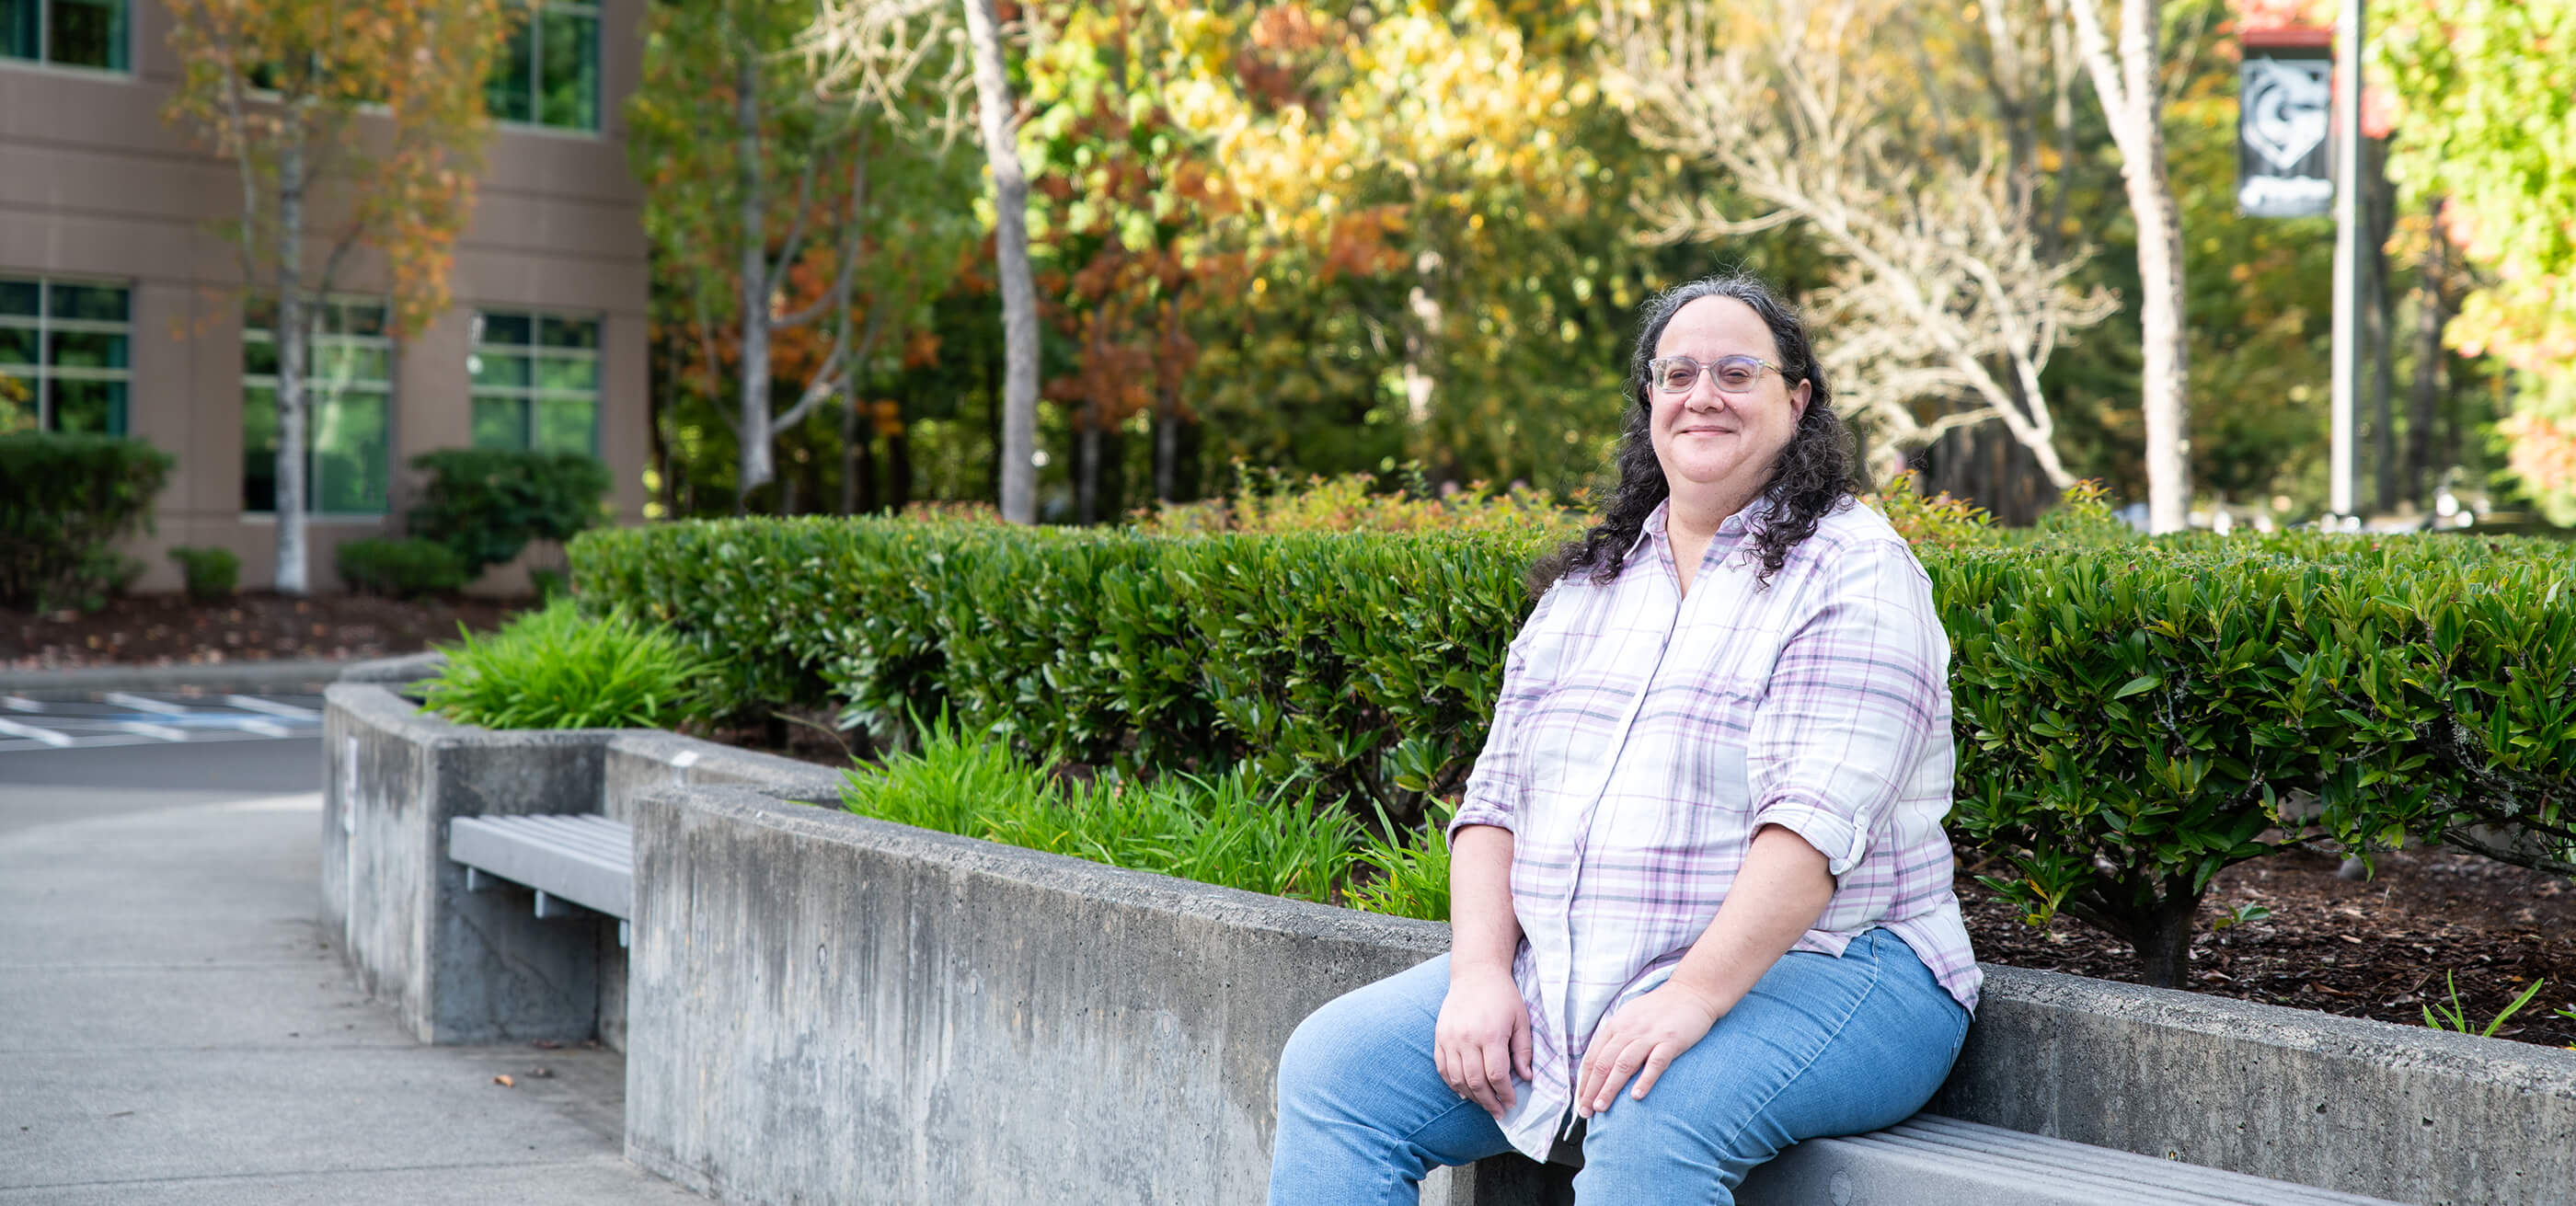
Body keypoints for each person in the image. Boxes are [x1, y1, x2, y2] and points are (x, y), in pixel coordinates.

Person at [1267, 274, 1982, 1204]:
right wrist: (1481, 976)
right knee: (1335, 1072)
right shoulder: (1592, 587)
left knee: (1652, 1113)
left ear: (1795, 400)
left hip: (1840, 967)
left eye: (1736, 371)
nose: (1702, 395)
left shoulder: (1854, 573)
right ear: (1649, 398)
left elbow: (1809, 838)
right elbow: (1491, 808)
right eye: (1676, 372)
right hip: (1588, 964)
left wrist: (1688, 998)